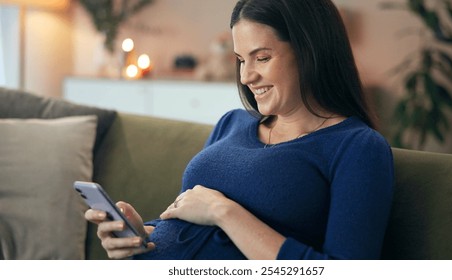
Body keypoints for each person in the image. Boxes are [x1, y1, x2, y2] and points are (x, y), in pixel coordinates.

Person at [85, 0, 394, 260]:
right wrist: (141, 235)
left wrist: (225, 212)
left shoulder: (357, 147)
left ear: (311, 51)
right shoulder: (232, 123)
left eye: (262, 57)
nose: (246, 76)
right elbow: (189, 221)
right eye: (240, 60)